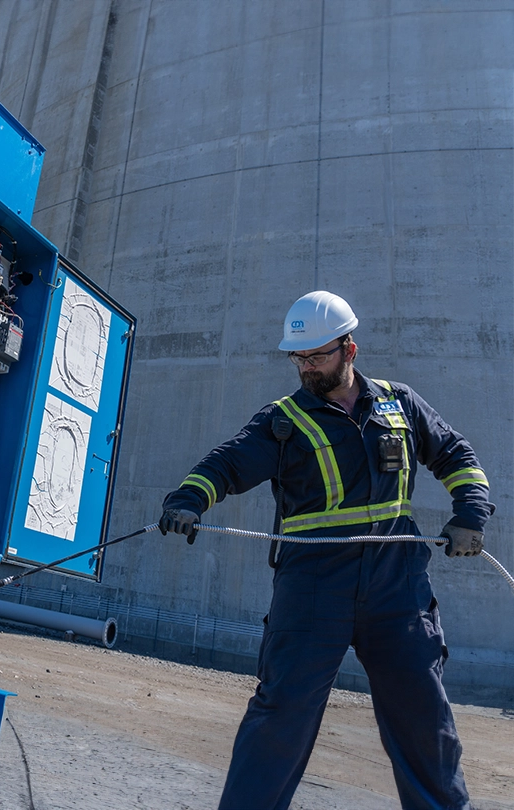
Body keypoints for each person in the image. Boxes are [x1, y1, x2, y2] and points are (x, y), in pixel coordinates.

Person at [158, 291, 494, 810]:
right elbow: (226, 464)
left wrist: (471, 513)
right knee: (281, 716)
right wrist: (188, 500)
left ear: (349, 350)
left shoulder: (398, 403)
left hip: (396, 586)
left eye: (317, 356)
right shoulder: (282, 421)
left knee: (425, 720)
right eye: (299, 358)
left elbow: (454, 453)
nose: (307, 367)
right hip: (313, 586)